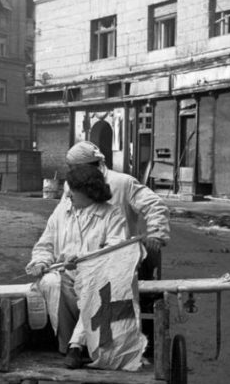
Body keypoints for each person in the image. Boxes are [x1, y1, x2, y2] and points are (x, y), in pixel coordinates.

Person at [66, 140, 170, 357]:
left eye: (74, 168)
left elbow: (154, 204)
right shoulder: (71, 187)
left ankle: (82, 344)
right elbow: (64, 219)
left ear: (87, 166)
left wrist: (156, 233)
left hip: (118, 257)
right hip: (80, 258)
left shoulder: (121, 183)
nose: (71, 173)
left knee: (99, 284)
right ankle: (70, 339)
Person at [25, 164, 129, 369]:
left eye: (72, 191)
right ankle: (67, 344)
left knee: (93, 286)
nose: (68, 195)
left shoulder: (113, 215)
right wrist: (40, 262)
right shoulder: (62, 213)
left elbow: (116, 250)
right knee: (51, 282)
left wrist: (83, 258)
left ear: (88, 191)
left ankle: (76, 346)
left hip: (100, 274)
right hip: (65, 273)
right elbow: (45, 244)